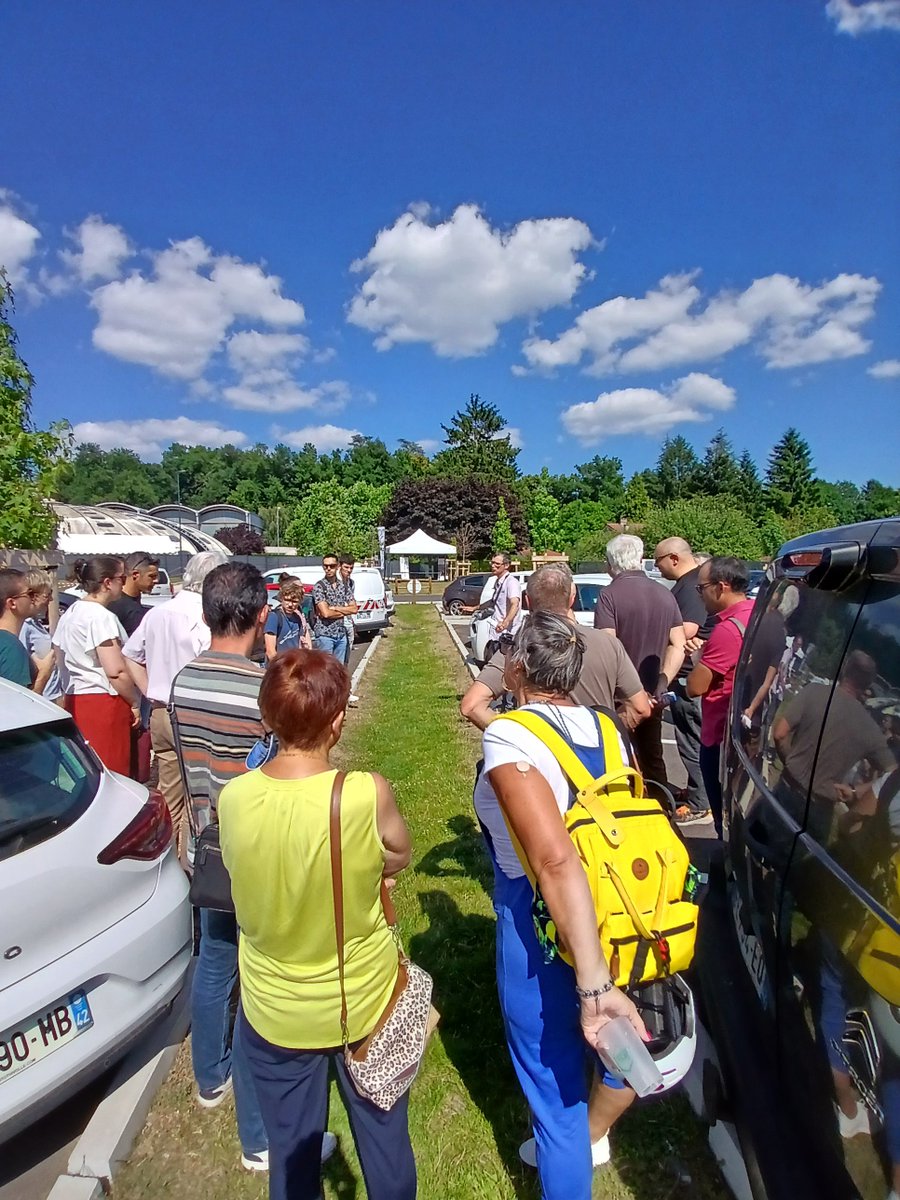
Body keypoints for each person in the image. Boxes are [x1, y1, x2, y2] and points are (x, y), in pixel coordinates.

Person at [220, 649, 416, 1200]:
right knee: (386, 1144)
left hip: (274, 1008)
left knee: (292, 1153)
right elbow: (399, 853)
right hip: (364, 1000)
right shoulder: (364, 793)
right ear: (337, 721)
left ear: (268, 719)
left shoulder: (234, 797)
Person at [474, 613, 647, 1198]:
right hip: (614, 909)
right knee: (613, 1050)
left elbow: (551, 861)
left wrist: (591, 985)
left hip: (537, 921)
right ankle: (598, 1126)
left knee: (555, 1095)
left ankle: (568, 1157)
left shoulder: (510, 734)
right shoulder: (607, 728)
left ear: (519, 665)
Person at [169, 562, 274, 1172]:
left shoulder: (183, 680)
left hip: (205, 848)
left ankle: (210, 1077)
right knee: (257, 981)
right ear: (261, 614)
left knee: (213, 960)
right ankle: (259, 1135)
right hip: (252, 853)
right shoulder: (261, 688)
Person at [460, 562, 651, 733]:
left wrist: (515, 737)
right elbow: (640, 708)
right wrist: (604, 734)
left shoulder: (521, 646)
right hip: (596, 757)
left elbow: (472, 705)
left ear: (528, 601)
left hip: (538, 756)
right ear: (572, 599)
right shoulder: (609, 644)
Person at [123, 550, 228, 858]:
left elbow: (131, 654)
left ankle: (163, 856)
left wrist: (149, 690)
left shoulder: (158, 613)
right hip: (193, 714)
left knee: (169, 792)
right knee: (199, 796)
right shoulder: (203, 619)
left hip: (160, 711)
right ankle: (191, 860)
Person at [594, 535, 686, 793]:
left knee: (618, 759)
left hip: (619, 697)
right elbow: (678, 644)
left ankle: (626, 810)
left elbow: (608, 647)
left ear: (611, 563)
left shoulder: (609, 596)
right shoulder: (665, 594)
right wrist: (662, 682)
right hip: (653, 695)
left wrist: (630, 690)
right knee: (652, 757)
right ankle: (662, 808)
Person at [686, 556, 756, 838]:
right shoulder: (759, 614)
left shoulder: (727, 630)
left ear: (721, 587)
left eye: (701, 588)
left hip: (719, 734)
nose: (699, 595)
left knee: (724, 814)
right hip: (748, 729)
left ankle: (725, 851)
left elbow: (695, 687)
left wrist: (698, 657)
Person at [52, 557, 138, 774]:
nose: (124, 583)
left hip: (76, 696)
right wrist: (134, 702)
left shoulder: (71, 612)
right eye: (122, 578)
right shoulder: (100, 617)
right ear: (107, 582)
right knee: (113, 770)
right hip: (103, 700)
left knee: (89, 769)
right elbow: (116, 671)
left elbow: (58, 655)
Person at [653, 538, 715, 824]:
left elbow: (688, 629)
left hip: (690, 675)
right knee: (690, 737)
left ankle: (701, 803)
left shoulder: (691, 586)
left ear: (674, 558)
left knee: (692, 739)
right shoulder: (690, 584)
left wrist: (657, 631)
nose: (657, 567)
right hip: (689, 673)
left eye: (659, 561)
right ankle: (698, 791)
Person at [0, 568, 50, 691]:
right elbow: (16, 701)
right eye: (30, 594)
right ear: (12, 603)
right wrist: (43, 674)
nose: (35, 599)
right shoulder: (11, 647)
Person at [19, 569, 63, 702]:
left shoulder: (35, 622)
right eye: (46, 595)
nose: (50, 599)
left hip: (50, 694)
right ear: (33, 596)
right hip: (40, 697)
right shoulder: (25, 625)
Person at [312, 553, 358, 664]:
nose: (328, 569)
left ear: (337, 566)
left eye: (332, 566)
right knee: (325, 669)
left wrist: (335, 608)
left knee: (339, 668)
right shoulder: (319, 587)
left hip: (341, 634)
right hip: (325, 635)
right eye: (325, 566)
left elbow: (354, 609)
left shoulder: (343, 586)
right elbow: (326, 613)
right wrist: (344, 611)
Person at [107, 552, 160, 637]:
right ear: (135, 575)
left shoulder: (134, 602)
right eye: (152, 576)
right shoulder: (116, 605)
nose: (156, 581)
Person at [264, 579, 312, 663]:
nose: (290, 605)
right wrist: (282, 668)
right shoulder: (274, 617)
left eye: (294, 602)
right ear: (281, 598)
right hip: (278, 666)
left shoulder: (298, 618)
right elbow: (270, 652)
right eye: (287, 600)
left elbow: (302, 643)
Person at [338, 555, 361, 705]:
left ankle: (346, 691)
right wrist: (345, 609)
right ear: (340, 566)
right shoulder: (335, 582)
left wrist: (347, 609)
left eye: (351, 568)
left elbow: (353, 607)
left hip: (348, 622)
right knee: (337, 661)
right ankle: (339, 694)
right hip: (337, 623)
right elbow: (331, 607)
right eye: (346, 567)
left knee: (346, 660)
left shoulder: (351, 583)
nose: (349, 570)